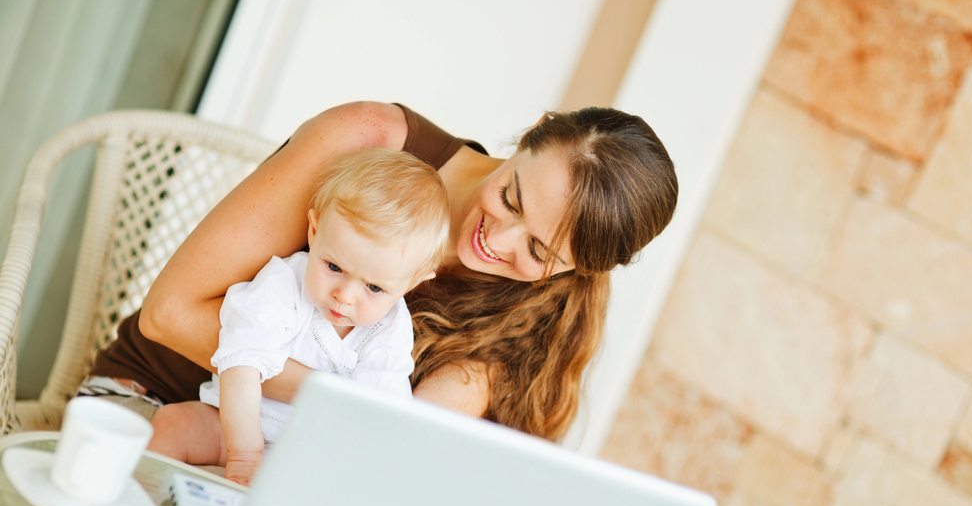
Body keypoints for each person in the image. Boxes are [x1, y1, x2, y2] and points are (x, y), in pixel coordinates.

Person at [88, 102, 677, 442]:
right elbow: (170, 317)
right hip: (157, 403)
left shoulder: (537, 320)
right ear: (525, 141)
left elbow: (411, 449)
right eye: (512, 198)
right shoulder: (370, 141)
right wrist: (354, 405)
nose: (496, 241)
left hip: (288, 466)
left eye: (540, 252)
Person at [145, 149, 448, 484]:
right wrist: (244, 457)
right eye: (334, 267)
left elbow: (373, 414)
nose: (344, 296)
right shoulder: (283, 283)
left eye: (374, 288)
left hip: (308, 455)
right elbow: (243, 364)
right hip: (231, 428)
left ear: (413, 283)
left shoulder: (391, 330)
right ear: (314, 231)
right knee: (172, 425)